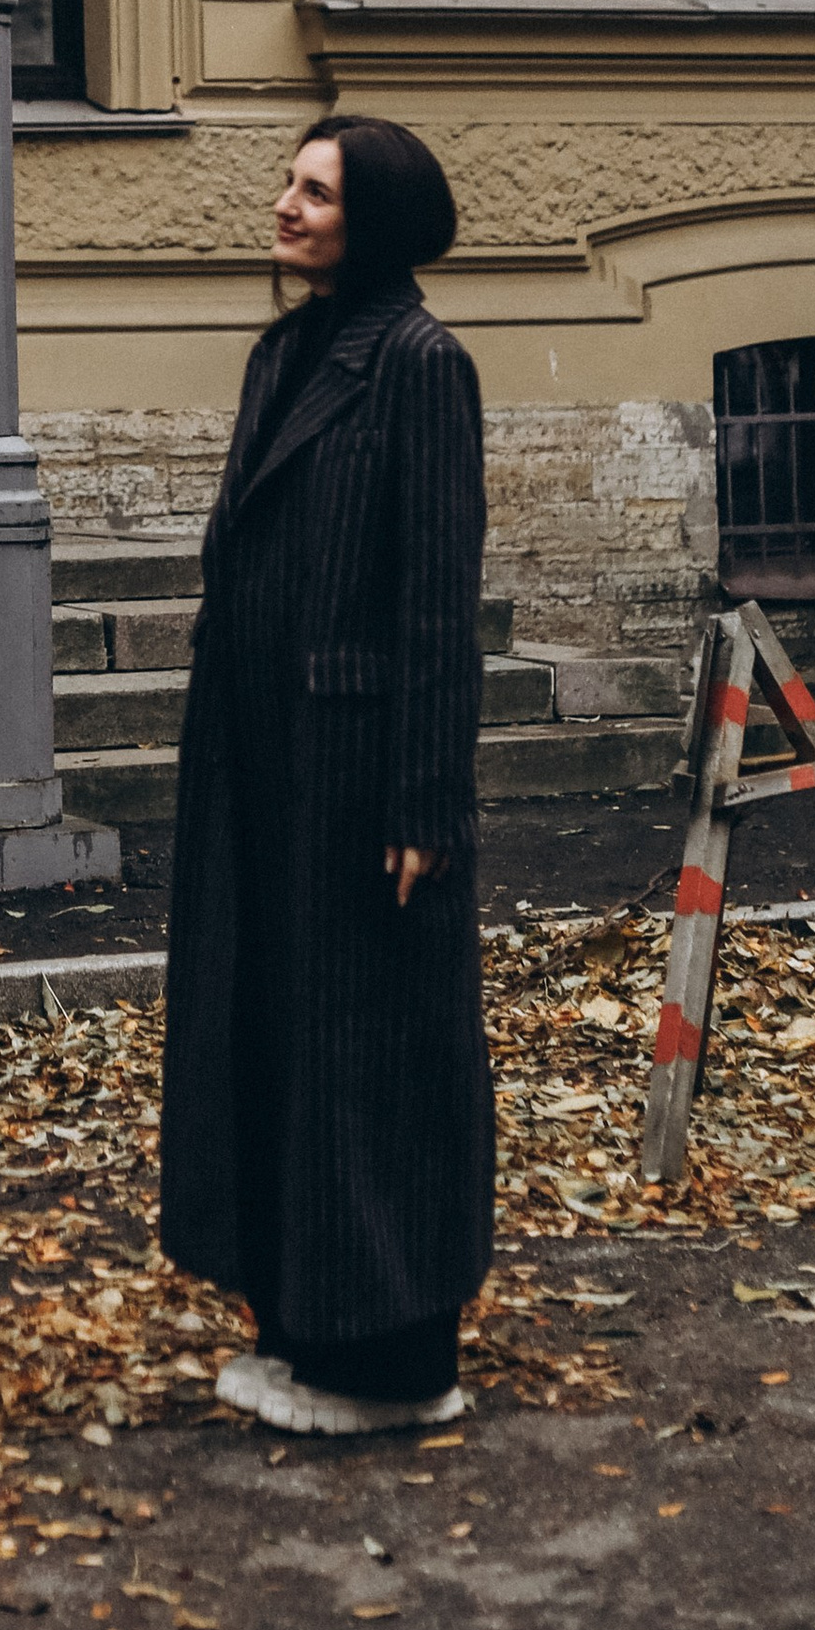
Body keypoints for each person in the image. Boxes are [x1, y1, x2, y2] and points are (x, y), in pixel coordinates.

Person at [158, 113, 495, 1438]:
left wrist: (424, 797)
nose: (285, 206)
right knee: (277, 1035)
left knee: (375, 1057)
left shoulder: (421, 362)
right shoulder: (287, 351)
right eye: (289, 182)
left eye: (316, 191)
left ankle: (397, 1367)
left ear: (381, 221)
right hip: (266, 767)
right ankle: (300, 1331)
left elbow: (434, 595)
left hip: (364, 781)